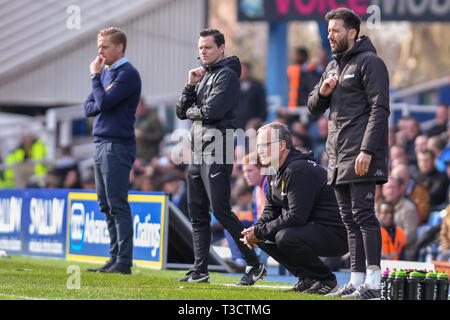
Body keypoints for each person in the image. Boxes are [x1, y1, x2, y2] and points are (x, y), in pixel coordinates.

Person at [307, 8, 390, 299]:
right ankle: (355, 281)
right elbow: (312, 106)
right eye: (328, 31)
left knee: (364, 215)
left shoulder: (370, 62)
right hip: (337, 154)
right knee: (348, 219)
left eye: (335, 31)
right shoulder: (331, 67)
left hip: (362, 153)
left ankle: (374, 284)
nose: (329, 35)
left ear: (352, 33)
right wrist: (323, 93)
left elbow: (380, 109)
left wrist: (367, 150)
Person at [175, 28, 265, 285]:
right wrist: (190, 84)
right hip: (198, 150)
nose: (202, 52)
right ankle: (200, 270)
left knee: (221, 211)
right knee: (197, 214)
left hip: (219, 148)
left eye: (208, 47)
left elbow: (212, 111)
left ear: (221, 48)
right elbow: (182, 111)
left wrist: (195, 109)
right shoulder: (202, 76)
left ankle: (254, 264)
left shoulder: (227, 76)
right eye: (200, 47)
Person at [240, 123, 348, 295]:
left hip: (336, 233)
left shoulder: (298, 169)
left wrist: (260, 230)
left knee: (284, 237)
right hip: (312, 229)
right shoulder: (274, 170)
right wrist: (255, 230)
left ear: (282, 145)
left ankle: (327, 280)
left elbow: (297, 217)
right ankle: (307, 278)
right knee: (261, 236)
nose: (259, 150)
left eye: (264, 145)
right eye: (257, 146)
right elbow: (270, 210)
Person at [84, 27, 141, 275]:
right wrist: (100, 87)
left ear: (119, 47)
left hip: (117, 144)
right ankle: (114, 257)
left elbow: (104, 103)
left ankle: (124, 261)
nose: (100, 51)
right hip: (101, 143)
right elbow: (89, 108)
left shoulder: (127, 74)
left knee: (117, 203)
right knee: (105, 204)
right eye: (99, 47)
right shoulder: (107, 73)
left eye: (105, 46)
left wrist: (96, 79)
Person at [380, 176, 418, 260]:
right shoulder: (377, 207)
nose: (390, 191)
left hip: (404, 254)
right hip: (381, 253)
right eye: (387, 188)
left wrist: (392, 246)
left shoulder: (409, 208)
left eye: (393, 187)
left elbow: (410, 235)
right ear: (383, 190)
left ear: (400, 190)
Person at [234, 61, 267, 130]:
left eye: (245, 70)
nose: (244, 73)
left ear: (249, 71)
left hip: (252, 127)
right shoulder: (233, 86)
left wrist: (257, 121)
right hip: (236, 126)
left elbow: (263, 108)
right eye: (242, 70)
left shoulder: (258, 87)